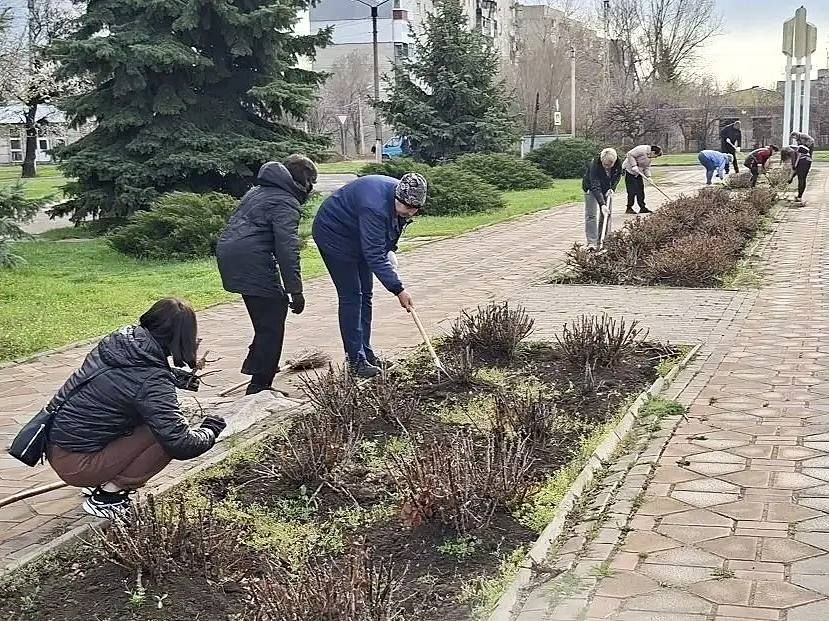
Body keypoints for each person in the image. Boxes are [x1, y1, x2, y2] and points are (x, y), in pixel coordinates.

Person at [45, 298, 226, 518]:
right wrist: (211, 430)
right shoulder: (152, 381)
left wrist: (174, 377)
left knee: (153, 418)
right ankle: (108, 497)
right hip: (78, 464)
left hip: (57, 444)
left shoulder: (119, 342)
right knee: (164, 433)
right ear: (183, 336)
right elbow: (181, 444)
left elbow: (123, 381)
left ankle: (101, 482)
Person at [216, 155, 317, 395]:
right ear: (303, 181)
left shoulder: (259, 191)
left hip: (231, 256)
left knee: (269, 316)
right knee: (271, 323)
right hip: (250, 260)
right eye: (311, 182)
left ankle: (259, 369)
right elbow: (287, 249)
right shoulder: (284, 201)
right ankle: (260, 385)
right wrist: (296, 290)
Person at [312, 173, 427, 378]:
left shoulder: (402, 199)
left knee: (366, 294)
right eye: (407, 208)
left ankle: (366, 353)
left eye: (415, 209)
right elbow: (373, 254)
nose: (410, 212)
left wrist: (389, 250)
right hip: (334, 235)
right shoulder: (373, 207)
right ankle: (356, 361)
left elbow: (391, 232)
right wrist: (398, 289)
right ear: (397, 197)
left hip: (358, 234)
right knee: (352, 296)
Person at [582, 147, 622, 250]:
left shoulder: (618, 162)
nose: (606, 167)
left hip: (607, 189)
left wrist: (612, 188)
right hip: (591, 188)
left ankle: (604, 241)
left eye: (609, 165)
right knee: (591, 215)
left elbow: (618, 176)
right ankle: (592, 242)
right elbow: (595, 185)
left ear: (614, 162)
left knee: (606, 214)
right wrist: (602, 204)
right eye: (605, 165)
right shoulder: (594, 164)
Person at [622, 144, 663, 214]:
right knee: (632, 190)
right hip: (629, 170)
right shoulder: (642, 149)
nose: (655, 158)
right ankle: (629, 208)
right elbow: (630, 154)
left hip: (638, 173)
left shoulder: (649, 158)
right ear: (653, 152)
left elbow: (646, 168)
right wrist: (634, 165)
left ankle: (642, 207)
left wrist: (649, 177)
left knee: (640, 190)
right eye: (655, 156)